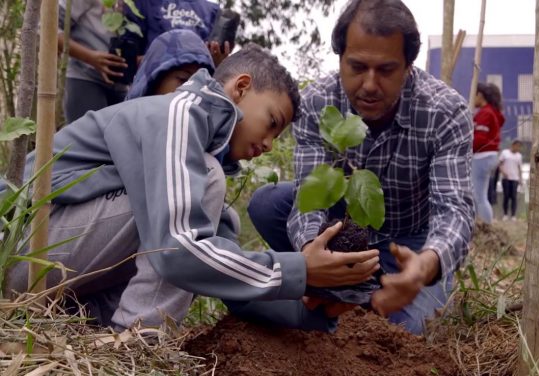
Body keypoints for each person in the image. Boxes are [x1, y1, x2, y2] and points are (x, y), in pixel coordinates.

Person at [4, 44, 380, 331]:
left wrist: (311, 302)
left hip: (53, 264)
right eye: (271, 122)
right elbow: (180, 252)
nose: (268, 144)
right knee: (205, 187)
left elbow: (224, 279)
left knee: (208, 223)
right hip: (22, 251)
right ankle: (138, 339)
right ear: (241, 88)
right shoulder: (177, 113)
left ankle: (112, 328)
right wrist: (298, 268)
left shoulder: (191, 165)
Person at [243, 0, 474, 335]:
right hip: (340, 231)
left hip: (407, 242)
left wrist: (424, 265)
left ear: (409, 66)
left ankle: (363, 297)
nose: (369, 84)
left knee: (410, 332)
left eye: (385, 70)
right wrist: (311, 253)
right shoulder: (318, 103)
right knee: (268, 203)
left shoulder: (444, 111)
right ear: (340, 59)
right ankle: (335, 288)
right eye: (357, 67)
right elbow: (310, 197)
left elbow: (454, 209)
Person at [57, 0, 129, 123]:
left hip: (122, 84)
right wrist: (90, 57)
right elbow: (48, 28)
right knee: (86, 138)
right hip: (85, 78)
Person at [122, 0, 231, 66]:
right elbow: (129, 52)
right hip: (151, 82)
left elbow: (215, 58)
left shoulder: (213, 11)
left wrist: (218, 63)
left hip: (193, 86)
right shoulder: (144, 3)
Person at [472, 82, 505, 224]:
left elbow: (479, 138)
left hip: (482, 156)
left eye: (474, 94)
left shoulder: (485, 113)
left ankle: (485, 225)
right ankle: (485, 223)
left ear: (480, 95)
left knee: (478, 196)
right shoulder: (492, 112)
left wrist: (465, 145)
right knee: (481, 195)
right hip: (489, 156)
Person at [499, 140, 523, 221]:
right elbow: (500, 164)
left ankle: (513, 215)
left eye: (519, 147)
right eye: (517, 146)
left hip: (515, 179)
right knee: (506, 196)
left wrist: (521, 179)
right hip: (506, 178)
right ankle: (505, 214)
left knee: (514, 197)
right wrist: (503, 172)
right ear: (513, 145)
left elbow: (520, 168)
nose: (518, 148)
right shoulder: (505, 153)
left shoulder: (519, 156)